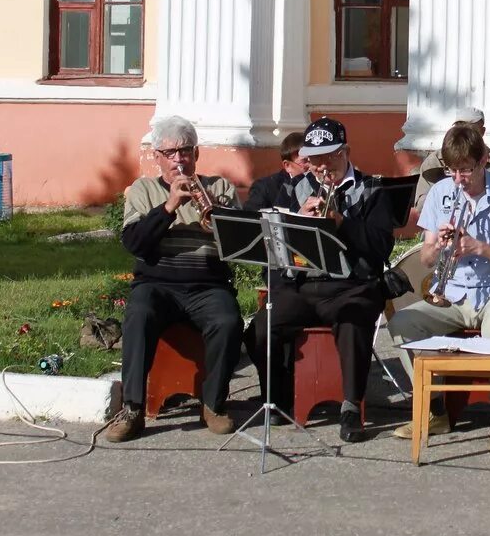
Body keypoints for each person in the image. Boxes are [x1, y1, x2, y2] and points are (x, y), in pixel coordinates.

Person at [387, 123, 490, 456]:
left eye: (466, 170)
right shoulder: (441, 192)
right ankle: (435, 409)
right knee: (402, 323)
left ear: (484, 160)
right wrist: (437, 246)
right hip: (451, 293)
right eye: (453, 170)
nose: (459, 179)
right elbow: (425, 259)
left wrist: (481, 248)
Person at [245, 117, 395, 442]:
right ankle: (281, 397)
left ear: (346, 152)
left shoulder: (371, 188)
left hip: (351, 285)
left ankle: (351, 406)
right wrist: (299, 218)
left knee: (354, 318)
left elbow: (382, 246)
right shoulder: (295, 188)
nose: (322, 165)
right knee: (260, 329)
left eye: (329, 156)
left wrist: (341, 222)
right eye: (314, 158)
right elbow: (276, 239)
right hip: (304, 284)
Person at [109, 115, 243, 443]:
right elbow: (135, 243)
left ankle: (213, 404)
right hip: (157, 285)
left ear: (196, 155)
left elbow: (240, 246)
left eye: (184, 151)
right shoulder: (143, 190)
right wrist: (169, 207)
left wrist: (216, 213)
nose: (178, 160)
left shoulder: (221, 188)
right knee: (138, 314)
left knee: (228, 320)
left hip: (207, 285)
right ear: (157, 158)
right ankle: (133, 408)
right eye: (169, 153)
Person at [412, 108, 490, 214]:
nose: (465, 134)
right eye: (460, 128)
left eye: (471, 130)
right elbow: (421, 204)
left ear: (482, 132)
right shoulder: (435, 161)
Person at [244, 131, 308, 211]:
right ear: (287, 166)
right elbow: (251, 219)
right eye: (305, 161)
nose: (312, 165)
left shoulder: (321, 183)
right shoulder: (264, 188)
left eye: (313, 159)